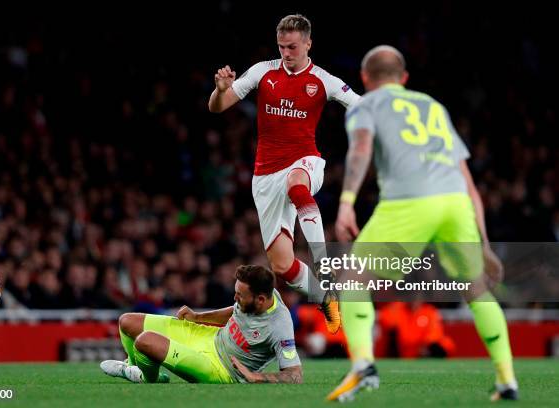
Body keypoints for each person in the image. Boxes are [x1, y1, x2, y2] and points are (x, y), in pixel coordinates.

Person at [327, 45, 517, 402]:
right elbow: (468, 182)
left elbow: (361, 149)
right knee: (476, 288)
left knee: (351, 279)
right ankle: (507, 379)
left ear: (365, 79)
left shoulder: (366, 104)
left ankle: (363, 365)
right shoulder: (434, 106)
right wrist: (485, 245)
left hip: (409, 203)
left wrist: (347, 202)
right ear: (405, 78)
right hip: (456, 204)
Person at [208, 14, 360, 333]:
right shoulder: (263, 72)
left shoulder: (323, 80)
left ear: (308, 44)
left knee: (297, 184)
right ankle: (326, 296)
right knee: (282, 266)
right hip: (265, 178)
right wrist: (220, 90)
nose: (286, 53)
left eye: (292, 47)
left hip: (305, 162)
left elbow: (360, 105)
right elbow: (218, 107)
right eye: (281, 47)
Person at [100, 265, 302, 384]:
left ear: (259, 299)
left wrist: (256, 376)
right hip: (209, 338)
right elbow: (235, 312)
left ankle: (145, 377)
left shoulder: (280, 326)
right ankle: (134, 366)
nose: (235, 297)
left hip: (219, 369)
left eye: (240, 295)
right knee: (127, 322)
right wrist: (197, 318)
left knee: (145, 342)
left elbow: (295, 375)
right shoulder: (266, 294)